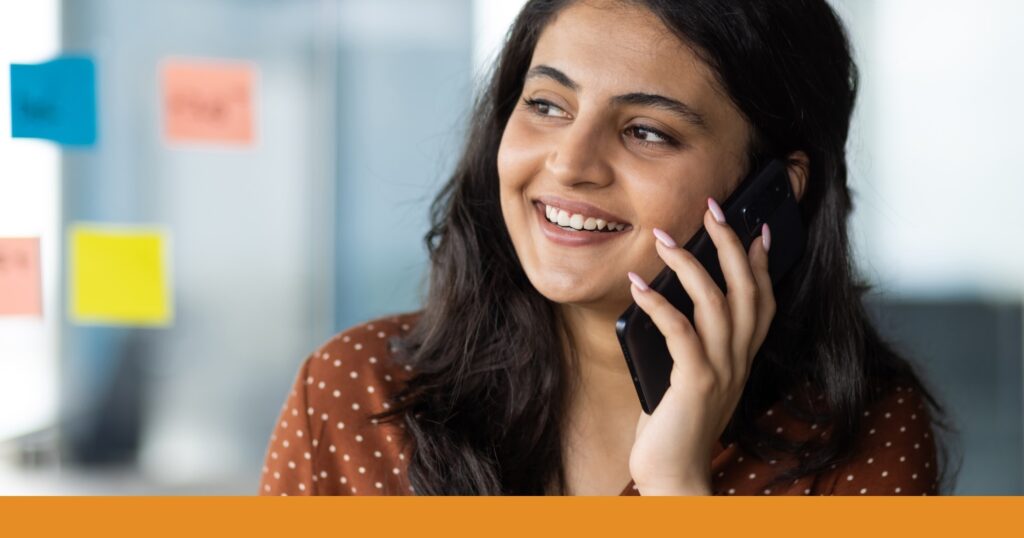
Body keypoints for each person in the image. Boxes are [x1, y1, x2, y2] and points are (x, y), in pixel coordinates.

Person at [259, 0, 954, 496]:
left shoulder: (859, 437)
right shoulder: (353, 395)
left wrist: (676, 487)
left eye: (646, 131)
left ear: (772, 190)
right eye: (548, 106)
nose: (570, 163)